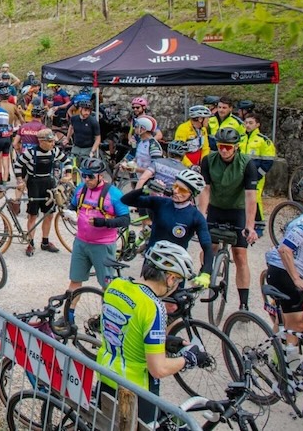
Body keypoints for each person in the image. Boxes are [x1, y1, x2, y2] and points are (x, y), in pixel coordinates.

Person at [97, 241, 209, 424]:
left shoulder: (116, 286)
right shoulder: (153, 307)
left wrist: (163, 341)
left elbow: (127, 330)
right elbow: (158, 369)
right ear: (170, 278)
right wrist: (188, 358)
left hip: (106, 378)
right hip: (136, 391)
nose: (176, 286)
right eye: (178, 281)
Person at [198, 127, 260, 310]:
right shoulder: (208, 160)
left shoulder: (247, 163)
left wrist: (250, 225)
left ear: (236, 147)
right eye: (220, 146)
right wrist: (201, 215)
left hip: (237, 210)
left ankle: (243, 303)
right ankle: (205, 275)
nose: (224, 150)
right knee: (210, 247)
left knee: (240, 255)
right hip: (217, 207)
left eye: (228, 147)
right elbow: (205, 189)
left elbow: (250, 196)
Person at [121, 169, 213, 284]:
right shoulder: (161, 203)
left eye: (182, 189)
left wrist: (206, 273)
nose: (176, 191)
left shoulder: (196, 217)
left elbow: (207, 247)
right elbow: (125, 200)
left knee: (172, 302)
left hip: (175, 267)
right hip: (152, 262)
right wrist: (145, 189)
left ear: (192, 194)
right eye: (175, 186)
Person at [265, 190, 303, 358]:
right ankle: (290, 364)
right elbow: (285, 250)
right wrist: (296, 279)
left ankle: (274, 356)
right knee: (297, 325)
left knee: (286, 319)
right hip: (283, 273)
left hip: (291, 272)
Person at [61, 157, 131, 294]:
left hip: (103, 246)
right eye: (84, 175)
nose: (86, 179)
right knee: (75, 281)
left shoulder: (114, 194)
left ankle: (107, 315)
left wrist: (104, 223)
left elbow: (125, 220)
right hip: (81, 243)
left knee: (107, 287)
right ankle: (69, 314)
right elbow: (74, 206)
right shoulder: (81, 189)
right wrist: (68, 213)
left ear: (100, 176)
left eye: (90, 176)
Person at [14, 129, 66, 256]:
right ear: (41, 141)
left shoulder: (54, 151)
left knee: (49, 214)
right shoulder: (31, 153)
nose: (52, 144)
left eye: (53, 141)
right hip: (34, 183)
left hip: (49, 182)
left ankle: (45, 242)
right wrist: (20, 180)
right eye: (50, 141)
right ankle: (30, 243)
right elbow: (18, 165)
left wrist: (68, 174)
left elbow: (67, 161)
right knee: (32, 214)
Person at [239, 113, 276, 235]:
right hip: (240, 175)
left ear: (257, 125)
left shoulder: (263, 140)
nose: (248, 125)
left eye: (251, 123)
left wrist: (257, 175)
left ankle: (259, 225)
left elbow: (268, 161)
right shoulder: (241, 138)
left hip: (256, 176)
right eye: (246, 122)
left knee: (255, 199)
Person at [120, 116, 163, 190]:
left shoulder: (153, 145)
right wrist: (127, 164)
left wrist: (134, 169)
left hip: (150, 183)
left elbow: (155, 170)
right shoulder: (140, 142)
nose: (134, 128)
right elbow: (137, 158)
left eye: (136, 126)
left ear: (143, 129)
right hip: (140, 179)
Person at [175, 105, 212, 169]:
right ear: (200, 119)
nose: (209, 120)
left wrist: (204, 163)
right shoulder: (183, 129)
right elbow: (178, 151)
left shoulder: (203, 129)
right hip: (184, 164)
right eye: (207, 118)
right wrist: (190, 165)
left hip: (198, 163)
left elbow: (205, 148)